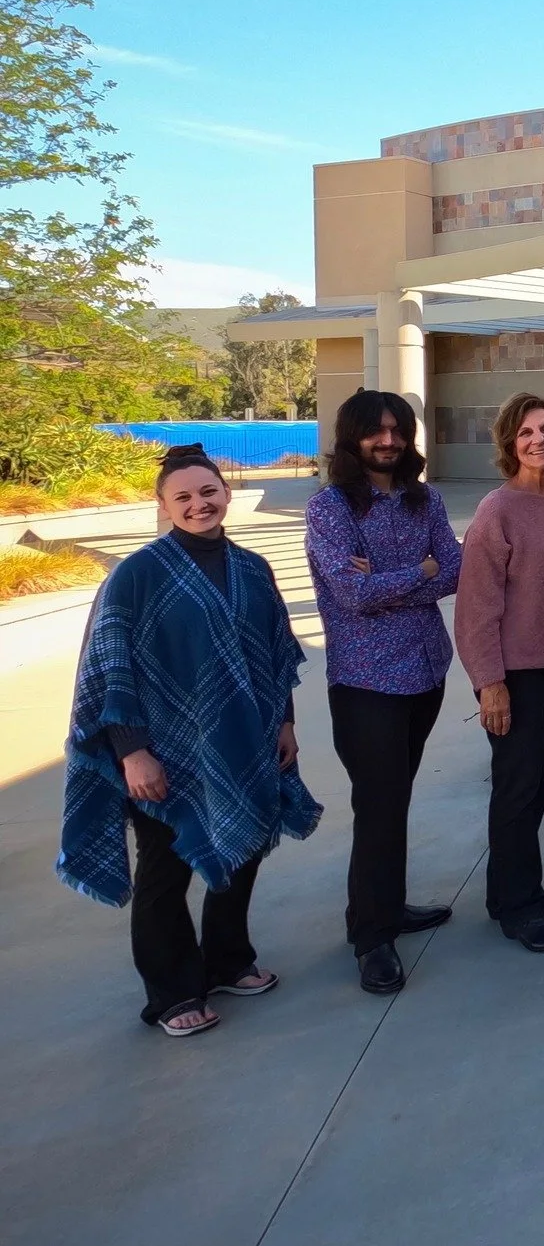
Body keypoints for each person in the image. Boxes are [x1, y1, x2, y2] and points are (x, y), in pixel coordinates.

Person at [57, 443, 321, 1036]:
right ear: (163, 505)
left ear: (226, 494)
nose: (199, 504)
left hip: (246, 740)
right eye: (183, 497)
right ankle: (172, 993)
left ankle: (228, 960)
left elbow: (276, 655)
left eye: (208, 492)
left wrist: (285, 722)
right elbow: (110, 669)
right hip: (162, 751)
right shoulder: (137, 575)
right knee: (166, 869)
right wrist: (132, 751)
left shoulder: (252, 568)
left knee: (245, 846)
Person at [304, 390, 462, 995]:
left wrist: (398, 579)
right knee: (377, 806)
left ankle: (389, 906)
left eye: (398, 429)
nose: (389, 440)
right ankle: (372, 937)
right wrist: (421, 572)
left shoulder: (427, 499)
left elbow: (456, 569)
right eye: (376, 430)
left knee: (396, 800)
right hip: (366, 683)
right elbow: (352, 593)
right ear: (353, 437)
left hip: (425, 672)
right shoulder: (331, 508)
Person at [454, 393, 544, 952]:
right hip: (513, 674)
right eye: (525, 433)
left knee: (536, 782)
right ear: (510, 444)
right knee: (517, 788)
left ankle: (512, 889)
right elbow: (476, 608)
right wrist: (489, 683)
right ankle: (518, 908)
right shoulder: (497, 510)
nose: (539, 440)